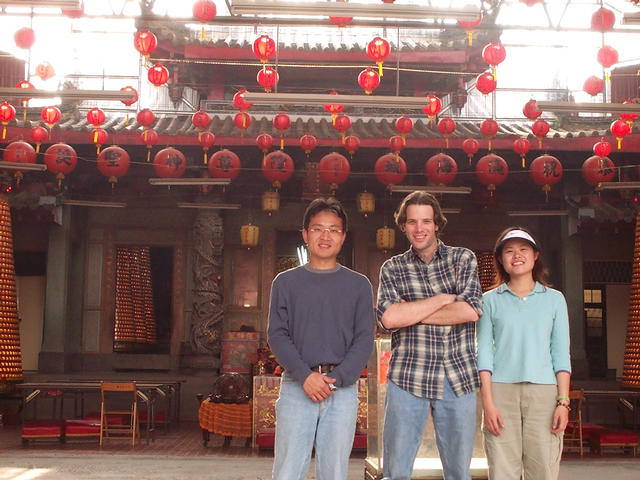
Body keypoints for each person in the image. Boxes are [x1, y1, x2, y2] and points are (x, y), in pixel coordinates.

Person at [377, 191, 483, 480]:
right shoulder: (393, 267)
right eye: (412, 222)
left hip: (457, 377)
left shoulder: (463, 258)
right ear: (404, 225)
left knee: (459, 473)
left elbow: (471, 311)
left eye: (426, 221)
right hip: (407, 376)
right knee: (395, 472)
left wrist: (409, 313)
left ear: (437, 223)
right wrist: (442, 299)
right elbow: (389, 318)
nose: (419, 228)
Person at [267, 197, 375, 480]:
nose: (325, 236)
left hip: (342, 391)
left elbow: (365, 338)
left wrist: (336, 379)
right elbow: (277, 334)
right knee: (288, 470)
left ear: (343, 237)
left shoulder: (358, 285)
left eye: (333, 229)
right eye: (317, 228)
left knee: (335, 472)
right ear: (305, 234)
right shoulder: (285, 282)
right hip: (297, 386)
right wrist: (305, 376)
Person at [477, 227, 571, 480]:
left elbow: (562, 355)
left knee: (543, 469)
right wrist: (487, 403)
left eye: (523, 249)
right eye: (509, 251)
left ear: (536, 255)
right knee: (502, 469)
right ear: (500, 259)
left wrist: (563, 401)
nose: (516, 255)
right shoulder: (488, 300)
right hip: (500, 393)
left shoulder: (554, 299)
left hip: (544, 395)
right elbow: (483, 355)